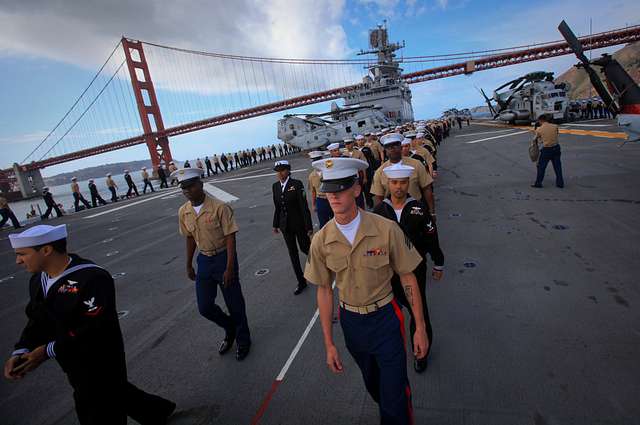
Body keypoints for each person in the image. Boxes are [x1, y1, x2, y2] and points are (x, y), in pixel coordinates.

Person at [4, 224, 175, 424]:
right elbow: (37, 321)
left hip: (100, 357)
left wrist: (47, 350)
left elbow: (94, 329)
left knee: (97, 406)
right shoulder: (38, 281)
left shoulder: (92, 278)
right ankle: (156, 411)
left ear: (46, 250)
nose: (18, 261)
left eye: (22, 254)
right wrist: (21, 350)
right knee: (117, 391)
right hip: (70, 360)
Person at [304, 157, 428, 425]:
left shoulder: (386, 229)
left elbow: (408, 277)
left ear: (357, 189)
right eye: (328, 190)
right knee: (376, 388)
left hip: (386, 319)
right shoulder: (321, 241)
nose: (332, 196)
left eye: (340, 189)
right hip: (352, 324)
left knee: (394, 398)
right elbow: (324, 291)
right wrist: (329, 344)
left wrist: (419, 326)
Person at [373, 163, 444, 373]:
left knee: (419, 312)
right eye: (394, 182)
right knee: (389, 314)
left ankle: (421, 352)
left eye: (403, 182)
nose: (399, 187)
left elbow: (432, 237)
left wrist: (438, 262)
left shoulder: (419, 209)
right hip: (388, 274)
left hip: (415, 270)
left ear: (408, 184)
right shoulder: (379, 212)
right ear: (388, 183)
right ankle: (391, 351)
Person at [174, 168, 252, 360]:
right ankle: (229, 327)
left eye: (190, 186)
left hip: (223, 258)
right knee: (204, 307)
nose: (187, 191)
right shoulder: (184, 212)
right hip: (204, 260)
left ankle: (243, 340)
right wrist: (188, 264)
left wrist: (229, 267)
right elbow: (190, 238)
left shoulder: (219, 207)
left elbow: (230, 238)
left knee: (235, 304)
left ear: (200, 185)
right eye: (183, 188)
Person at [272, 160, 313, 295]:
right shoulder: (275, 187)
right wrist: (275, 224)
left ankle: (322, 266)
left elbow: (303, 207)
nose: (280, 173)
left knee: (305, 248)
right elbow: (277, 207)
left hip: (299, 224)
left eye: (282, 170)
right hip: (285, 226)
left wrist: (308, 226)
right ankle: (301, 282)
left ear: (288, 170)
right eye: (278, 171)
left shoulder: (296, 184)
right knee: (292, 253)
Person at [371, 133, 435, 213]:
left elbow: (427, 188)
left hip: (416, 210)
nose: (392, 148)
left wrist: (432, 211)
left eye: (395, 145)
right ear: (385, 150)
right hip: (392, 213)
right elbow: (378, 198)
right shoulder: (380, 172)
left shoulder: (416, 164)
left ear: (401, 147)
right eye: (388, 147)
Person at [532, 115, 564, 189]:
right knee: (557, 167)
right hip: (556, 148)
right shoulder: (555, 126)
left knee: (541, 167)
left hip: (546, 149)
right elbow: (556, 134)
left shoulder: (539, 129)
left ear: (540, 120)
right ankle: (560, 183)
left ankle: (538, 183)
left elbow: (534, 139)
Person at [308, 151, 333, 228]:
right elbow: (313, 191)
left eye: (318, 159)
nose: (316, 162)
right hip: (321, 200)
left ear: (322, 159)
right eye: (314, 160)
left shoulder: (329, 171)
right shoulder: (311, 176)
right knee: (323, 224)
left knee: (336, 220)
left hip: (332, 198)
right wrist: (314, 204)